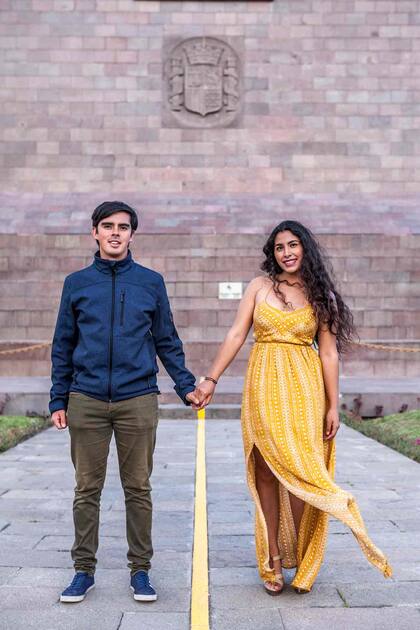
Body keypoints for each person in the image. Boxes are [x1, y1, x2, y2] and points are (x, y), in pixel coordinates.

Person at [196, 220, 392, 594]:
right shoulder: (258, 287)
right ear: (273, 253)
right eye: (279, 247)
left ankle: (300, 553)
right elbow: (237, 333)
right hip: (263, 386)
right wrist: (211, 379)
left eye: (293, 245)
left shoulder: (322, 296)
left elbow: (330, 353)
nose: (286, 252)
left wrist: (334, 405)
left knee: (301, 474)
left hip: (305, 391)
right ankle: (272, 555)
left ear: (306, 250)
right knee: (267, 471)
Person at [50, 201, 203, 603]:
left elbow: (167, 340)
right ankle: (83, 571)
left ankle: (141, 571)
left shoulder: (150, 282)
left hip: (138, 399)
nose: (115, 232)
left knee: (138, 488)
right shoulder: (77, 283)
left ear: (132, 235)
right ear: (95, 233)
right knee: (87, 489)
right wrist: (58, 398)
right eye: (107, 226)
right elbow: (63, 345)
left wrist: (185, 385)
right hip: (86, 398)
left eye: (122, 227)